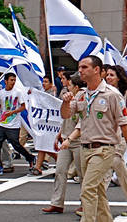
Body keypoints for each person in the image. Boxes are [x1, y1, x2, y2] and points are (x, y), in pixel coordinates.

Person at [59, 56, 127, 222]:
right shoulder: (82, 95)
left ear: (97, 70)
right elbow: (66, 114)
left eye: (84, 67)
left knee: (87, 190)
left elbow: (124, 124)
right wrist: (66, 103)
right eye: (79, 67)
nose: (80, 70)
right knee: (99, 191)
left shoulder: (112, 95)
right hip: (85, 148)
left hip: (104, 148)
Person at [42, 72, 85, 214]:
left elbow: (81, 122)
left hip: (79, 140)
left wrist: (69, 139)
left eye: (70, 85)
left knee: (83, 174)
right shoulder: (69, 97)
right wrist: (59, 135)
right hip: (67, 138)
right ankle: (57, 203)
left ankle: (85, 203)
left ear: (77, 87)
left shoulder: (83, 97)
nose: (67, 86)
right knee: (60, 171)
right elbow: (65, 118)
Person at [102, 65, 127, 216]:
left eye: (112, 75)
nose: (108, 77)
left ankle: (93, 205)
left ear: (119, 77)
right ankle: (94, 205)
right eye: (108, 75)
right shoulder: (104, 93)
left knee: (111, 168)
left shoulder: (126, 94)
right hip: (107, 136)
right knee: (112, 171)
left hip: (122, 138)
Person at [0, 73, 37, 176]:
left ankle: (30, 158)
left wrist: (13, 112)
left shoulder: (17, 92)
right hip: (3, 123)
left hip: (14, 124)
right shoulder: (0, 93)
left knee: (16, 145)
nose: (13, 82)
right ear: (6, 81)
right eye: (11, 80)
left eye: (14, 80)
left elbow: (23, 107)